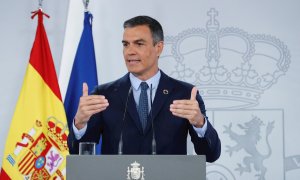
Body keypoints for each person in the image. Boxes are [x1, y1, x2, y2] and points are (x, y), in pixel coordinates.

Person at [67, 15, 221, 162]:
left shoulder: (185, 94)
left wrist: (200, 123)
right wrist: (80, 124)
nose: (130, 51)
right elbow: (80, 155)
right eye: (126, 44)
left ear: (158, 48)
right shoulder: (103, 95)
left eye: (139, 44)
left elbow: (211, 154)